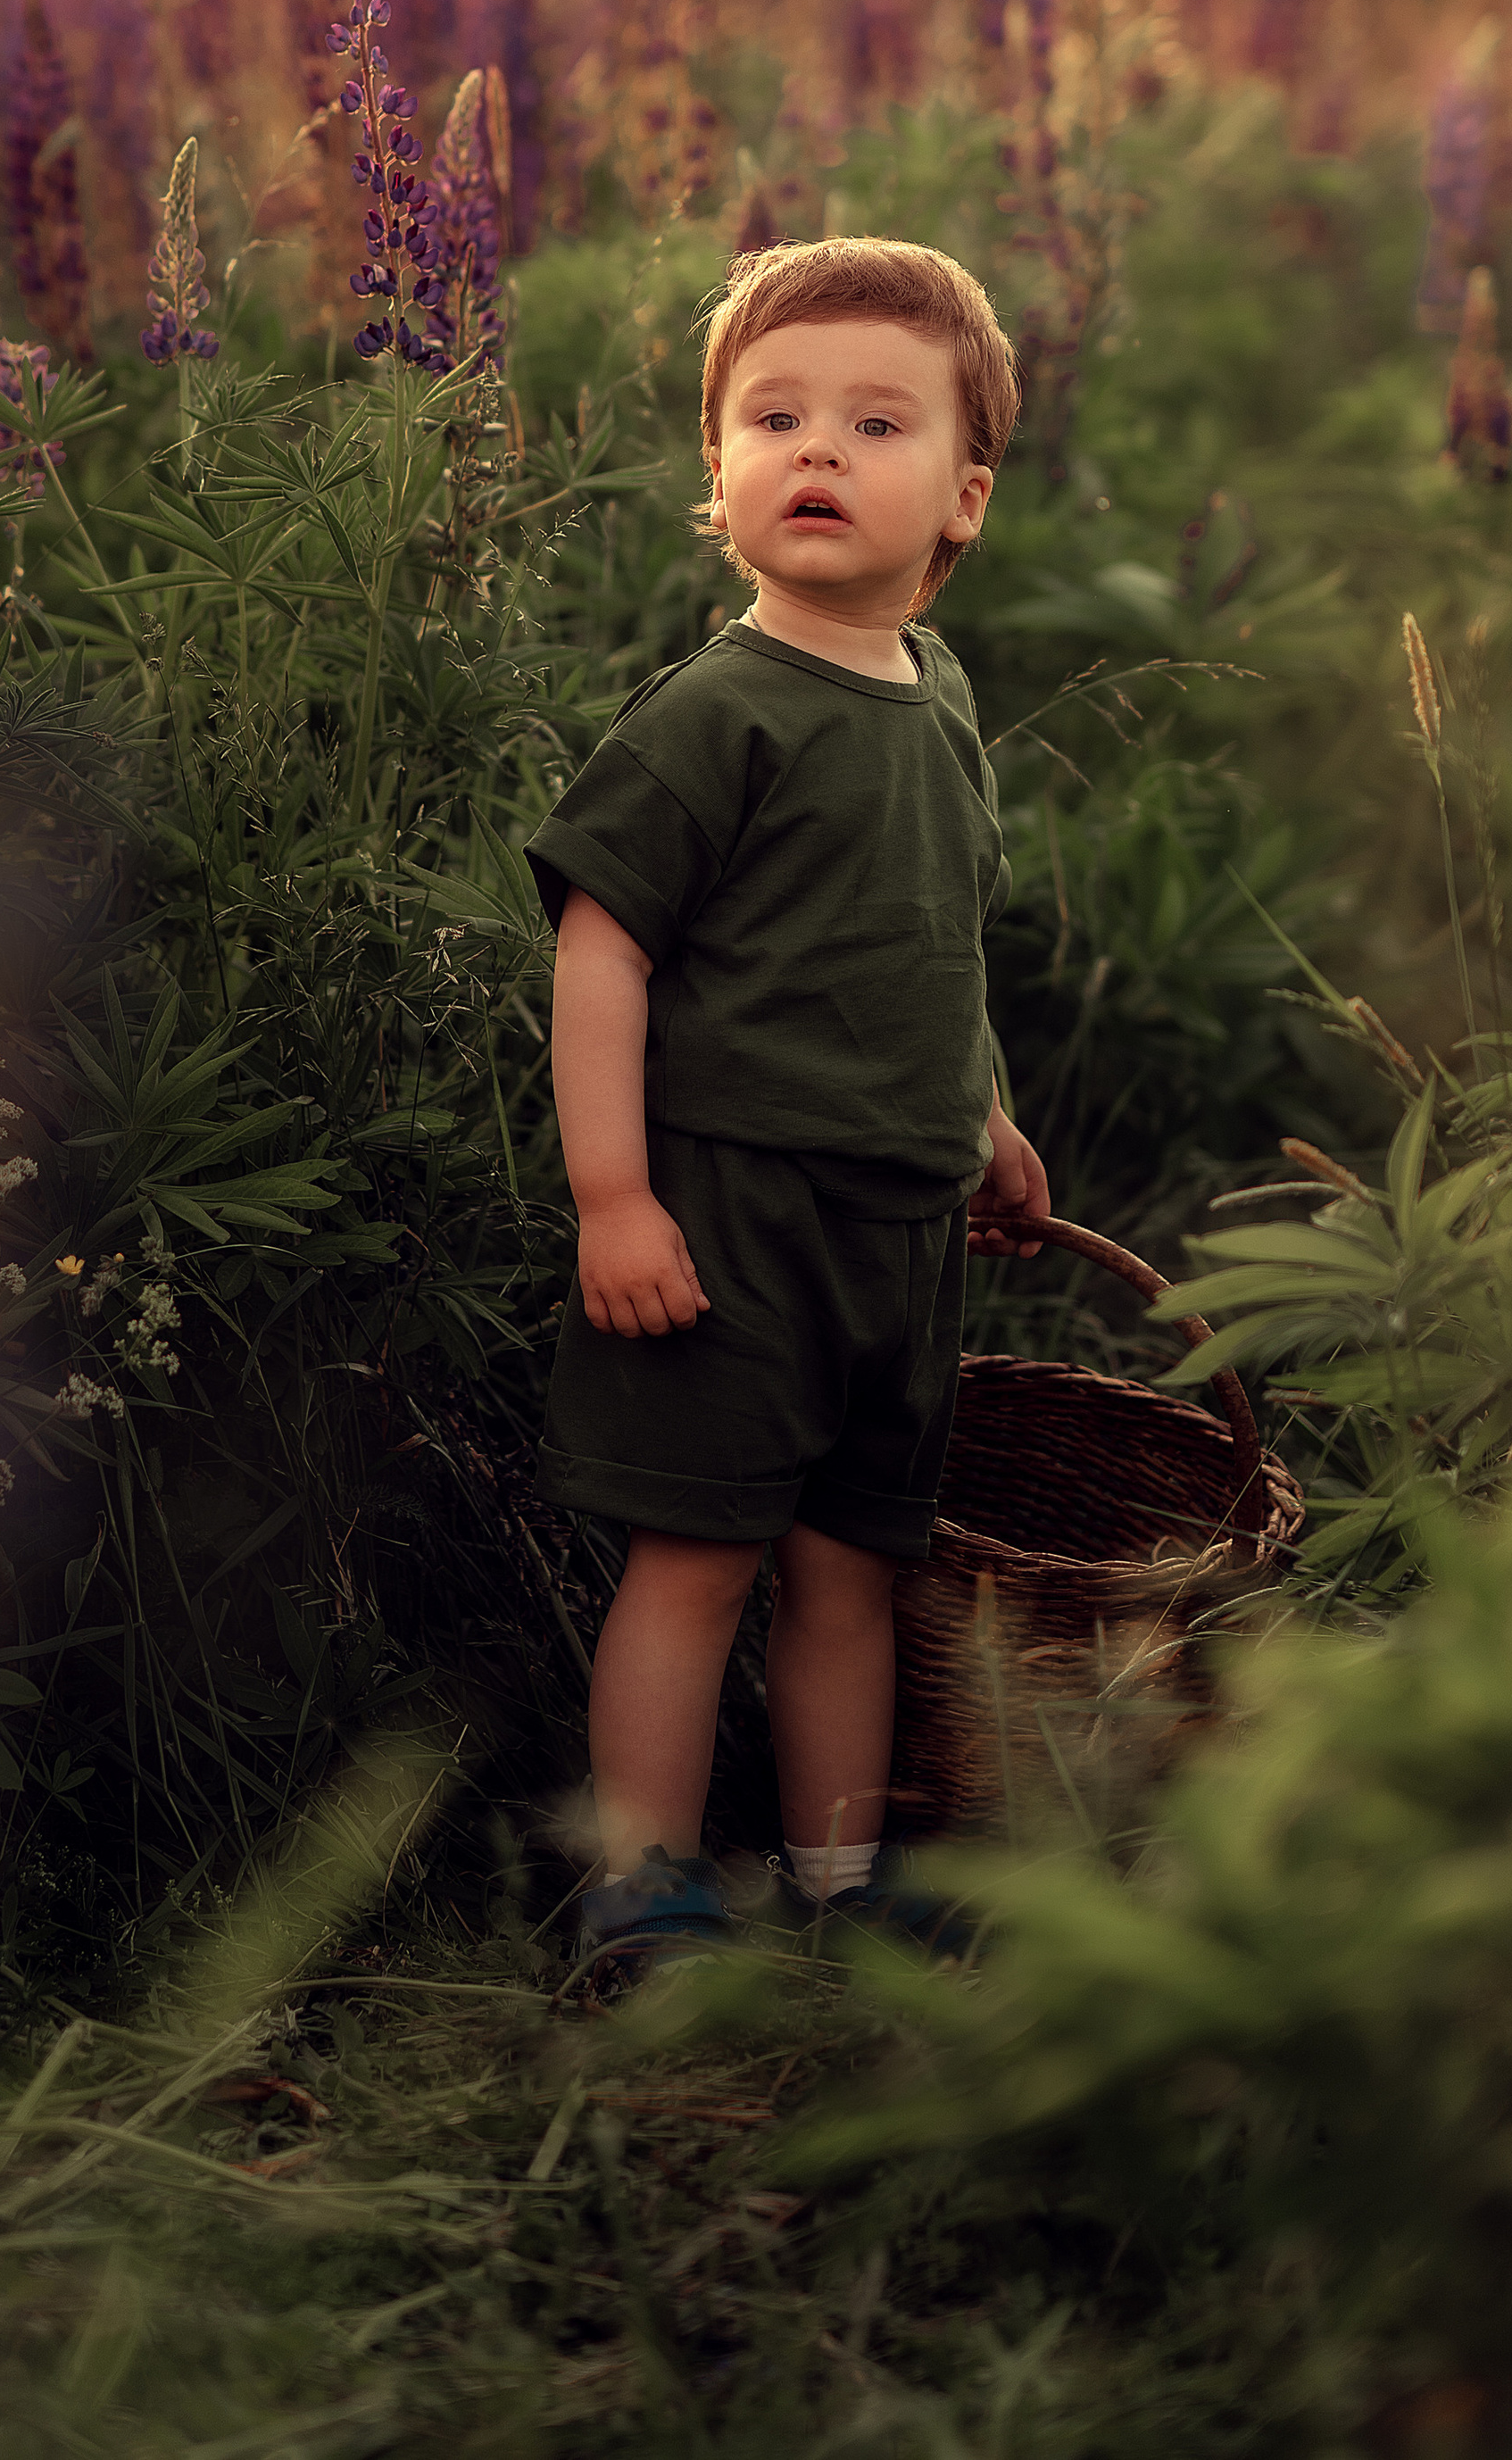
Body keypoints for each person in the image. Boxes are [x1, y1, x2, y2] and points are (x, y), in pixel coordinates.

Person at [523, 235, 1049, 1967]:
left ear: (960, 499)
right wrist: (614, 1197)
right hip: (732, 1211)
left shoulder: (939, 708)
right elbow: (601, 954)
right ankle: (639, 1878)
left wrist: (978, 1118)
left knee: (850, 1569)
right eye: (772, 417)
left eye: (874, 423)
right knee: (696, 1562)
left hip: (895, 1229)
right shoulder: (714, 713)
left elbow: (925, 945)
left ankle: (838, 1877)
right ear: (718, 478)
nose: (814, 451)